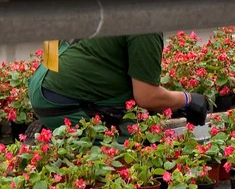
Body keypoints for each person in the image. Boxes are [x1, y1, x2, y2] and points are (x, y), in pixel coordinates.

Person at [28, 33, 209, 139]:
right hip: (66, 103)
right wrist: (187, 100)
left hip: (40, 87)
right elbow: (147, 96)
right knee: (135, 146)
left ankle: (53, 124)